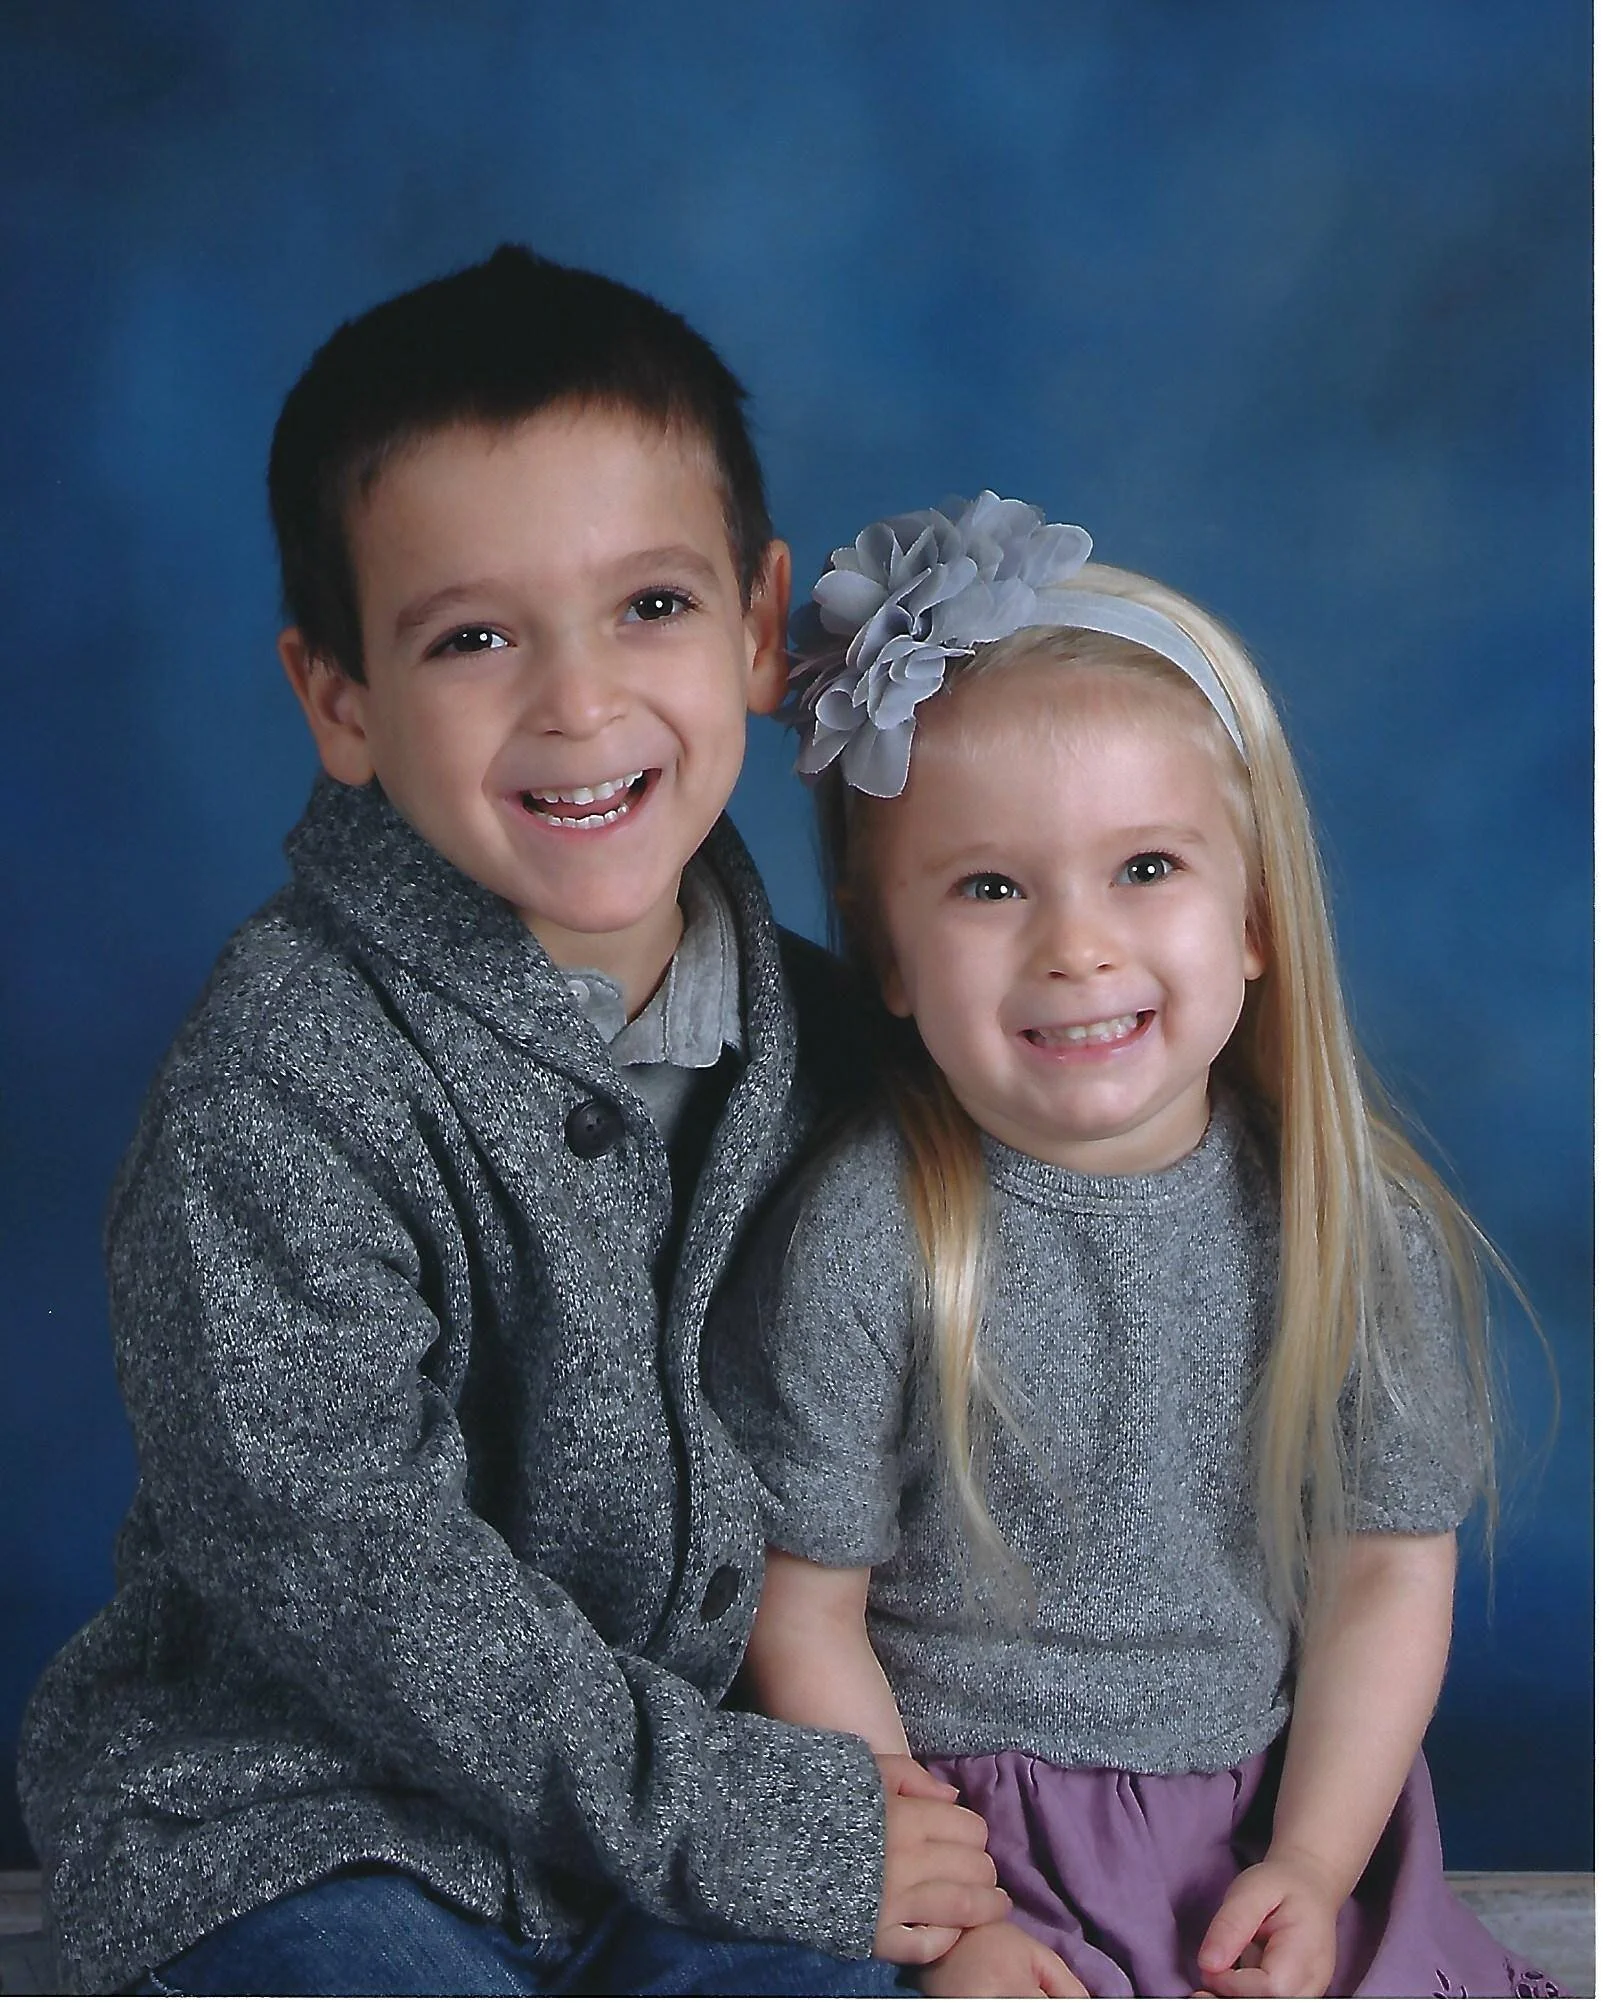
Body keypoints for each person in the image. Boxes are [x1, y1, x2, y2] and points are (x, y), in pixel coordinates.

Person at [17, 253, 1013, 1997]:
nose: (577, 702)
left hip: (693, 1816)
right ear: (340, 700)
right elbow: (349, 1567)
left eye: (650, 605)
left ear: (759, 625)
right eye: (472, 636)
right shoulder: (278, 1077)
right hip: (306, 1816)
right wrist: (740, 1819)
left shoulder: (833, 1041)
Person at [708, 493, 1561, 1998]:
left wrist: (1313, 1863)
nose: (1077, 946)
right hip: (956, 1836)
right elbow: (806, 1611)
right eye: (988, 888)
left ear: (1254, 915)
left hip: (1270, 1815)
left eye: (1146, 869)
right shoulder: (869, 1235)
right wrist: (950, 1916)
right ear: (887, 950)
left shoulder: (1342, 1224)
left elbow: (1381, 1573)